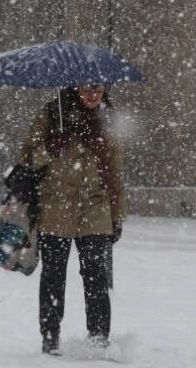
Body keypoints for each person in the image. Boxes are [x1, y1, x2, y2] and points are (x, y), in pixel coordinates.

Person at [19, 85, 125, 356]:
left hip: (96, 209)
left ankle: (99, 339)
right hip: (56, 209)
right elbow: (27, 159)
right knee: (54, 276)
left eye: (99, 90)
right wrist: (50, 147)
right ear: (75, 88)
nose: (93, 95)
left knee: (97, 278)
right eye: (87, 89)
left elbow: (115, 172)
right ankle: (50, 337)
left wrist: (117, 215)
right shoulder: (52, 115)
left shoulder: (107, 118)